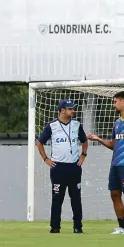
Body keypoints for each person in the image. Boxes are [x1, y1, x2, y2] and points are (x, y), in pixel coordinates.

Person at [87, 91, 124, 235]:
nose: (114, 104)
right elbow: (113, 144)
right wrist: (98, 139)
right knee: (114, 194)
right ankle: (122, 227)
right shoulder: (117, 123)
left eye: (115, 101)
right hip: (115, 165)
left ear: (123, 101)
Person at [36, 99, 88, 234]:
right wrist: (46, 159)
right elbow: (39, 143)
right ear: (62, 110)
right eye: (70, 109)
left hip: (74, 167)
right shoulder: (52, 126)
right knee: (57, 198)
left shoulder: (77, 125)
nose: (73, 111)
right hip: (58, 168)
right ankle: (55, 227)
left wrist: (83, 155)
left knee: (76, 198)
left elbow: (84, 140)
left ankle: (78, 227)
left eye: (73, 108)